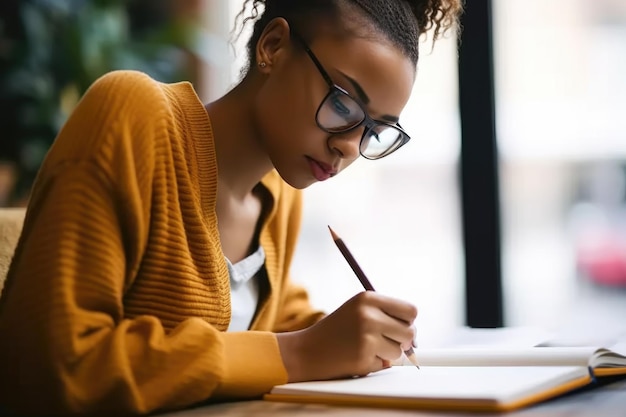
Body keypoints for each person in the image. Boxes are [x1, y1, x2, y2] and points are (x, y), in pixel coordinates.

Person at [0, 0, 463, 415]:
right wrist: (299, 353)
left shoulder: (279, 193)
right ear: (274, 47)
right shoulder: (133, 117)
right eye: (343, 106)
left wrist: (359, 336)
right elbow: (53, 370)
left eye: (375, 132)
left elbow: (275, 320)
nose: (348, 147)